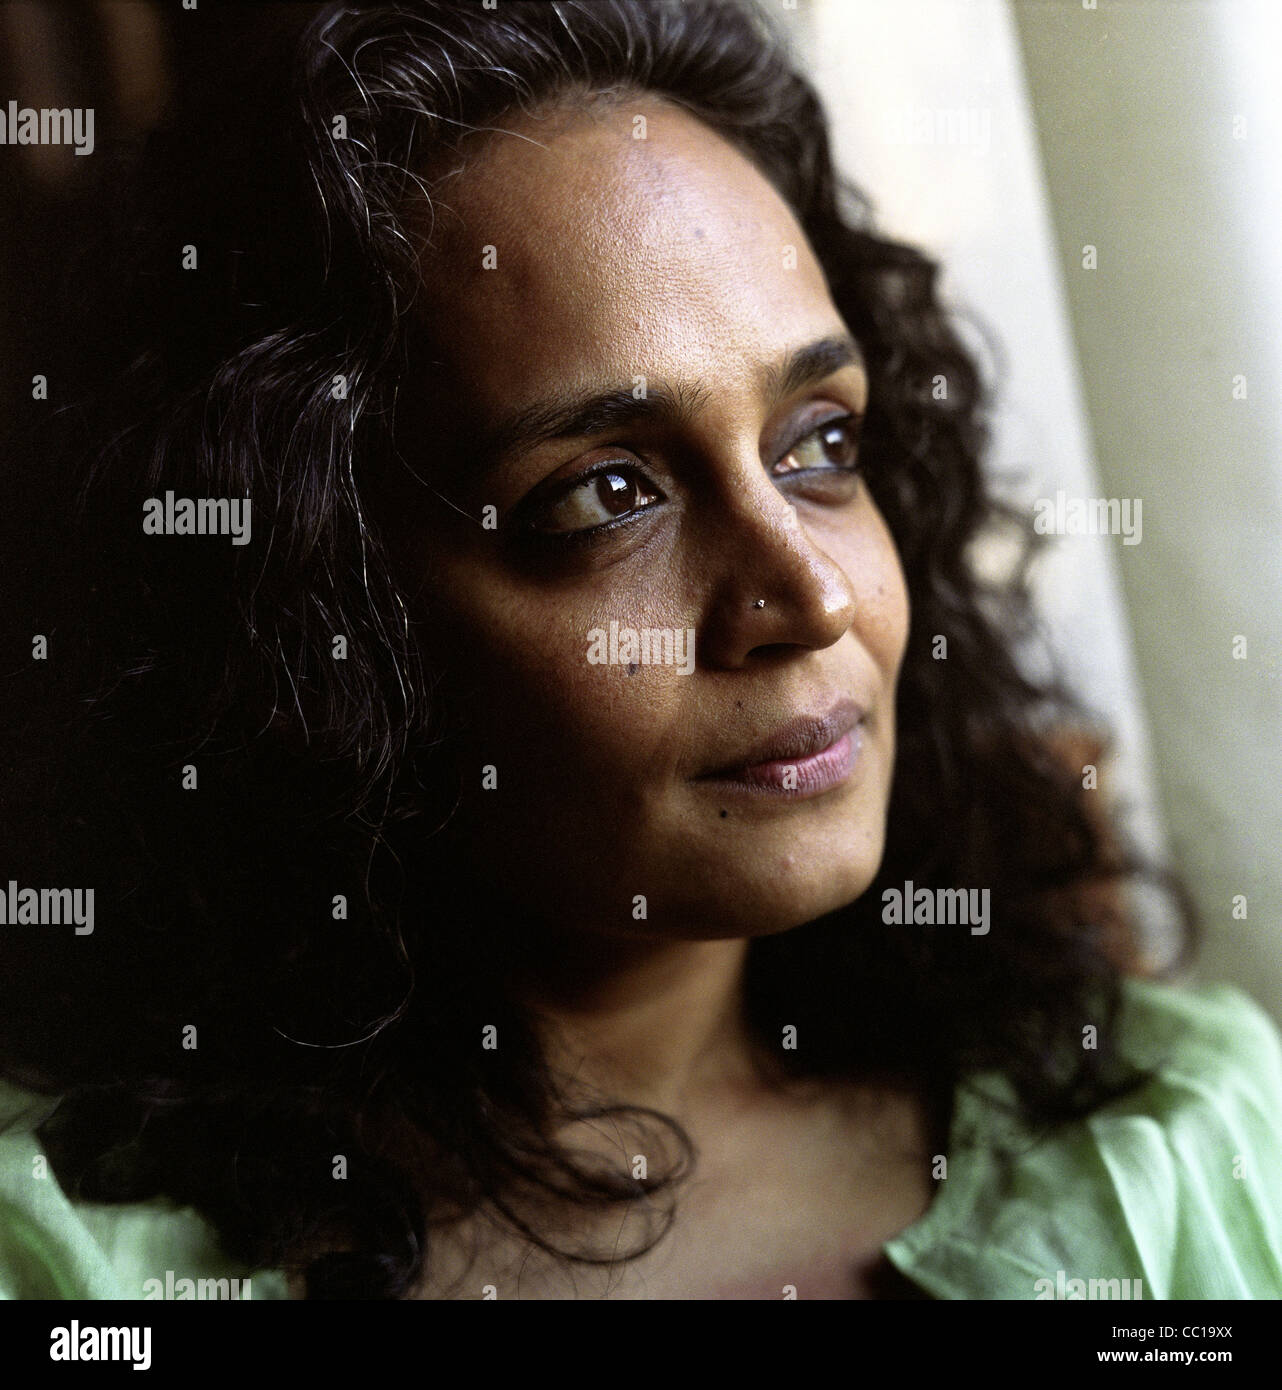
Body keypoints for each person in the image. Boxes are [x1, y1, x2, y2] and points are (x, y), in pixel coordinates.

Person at [1, 0, 1279, 1301]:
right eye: (607, 494)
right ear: (318, 601)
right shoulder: (72, 1274)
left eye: (819, 445)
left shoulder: (1173, 1145)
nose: (809, 595)